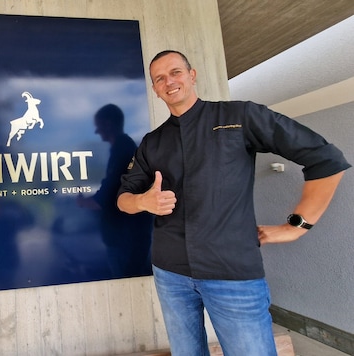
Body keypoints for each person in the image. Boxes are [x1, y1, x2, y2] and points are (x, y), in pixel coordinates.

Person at [117, 50, 350, 356]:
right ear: (155, 89)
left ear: (192, 75)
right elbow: (123, 200)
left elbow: (326, 160)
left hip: (232, 274)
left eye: (175, 72)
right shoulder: (153, 142)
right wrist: (143, 201)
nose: (168, 82)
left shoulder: (240, 116)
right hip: (170, 273)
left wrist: (297, 226)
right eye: (159, 78)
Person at [77, 104, 154, 277]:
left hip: (126, 240)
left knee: (128, 284)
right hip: (129, 238)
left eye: (99, 125)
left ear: (108, 124)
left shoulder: (122, 150)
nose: (96, 131)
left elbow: (108, 196)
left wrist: (84, 202)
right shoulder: (124, 148)